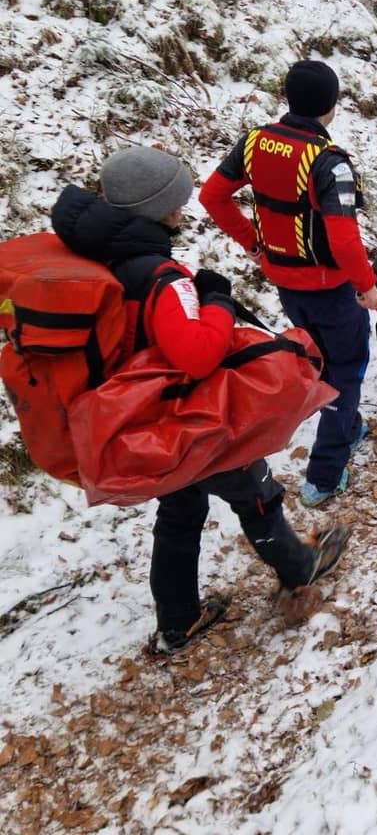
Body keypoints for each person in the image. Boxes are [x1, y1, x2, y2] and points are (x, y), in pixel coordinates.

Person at [50, 146, 351, 653]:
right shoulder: (162, 277)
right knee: (253, 486)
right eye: (177, 200)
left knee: (181, 508)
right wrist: (212, 300)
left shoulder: (95, 256)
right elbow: (195, 355)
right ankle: (299, 567)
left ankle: (178, 621)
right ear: (161, 208)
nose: (182, 209)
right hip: (177, 412)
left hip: (138, 413)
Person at [201, 61, 377, 506]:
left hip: (286, 280)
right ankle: (324, 475)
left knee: (320, 358)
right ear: (332, 108)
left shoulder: (256, 142)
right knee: (347, 370)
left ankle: (348, 425)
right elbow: (343, 235)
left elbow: (212, 196)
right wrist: (367, 286)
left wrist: (253, 244)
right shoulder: (329, 163)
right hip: (332, 288)